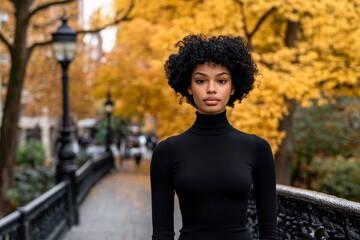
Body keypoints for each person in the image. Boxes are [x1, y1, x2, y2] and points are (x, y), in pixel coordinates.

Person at [150, 34, 277, 240]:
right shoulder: (167, 151)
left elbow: (269, 232)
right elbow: (162, 234)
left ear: (233, 86)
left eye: (221, 80)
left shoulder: (257, 148)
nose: (211, 89)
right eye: (201, 80)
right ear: (189, 87)